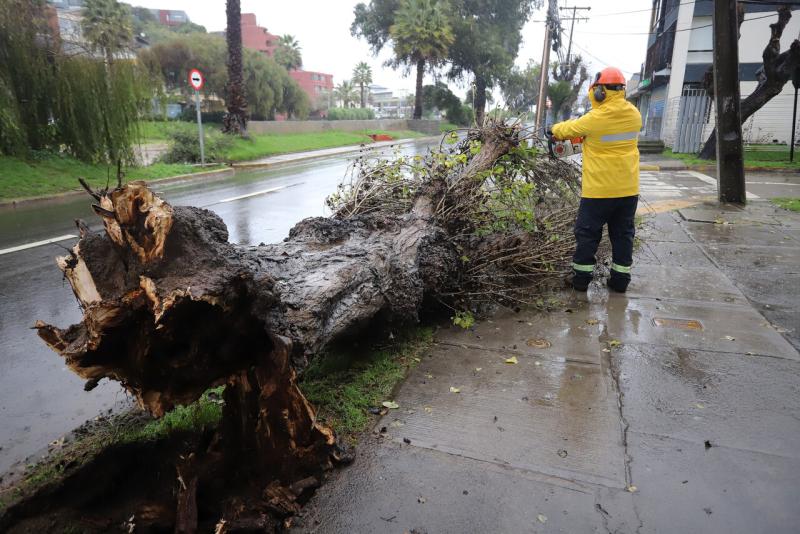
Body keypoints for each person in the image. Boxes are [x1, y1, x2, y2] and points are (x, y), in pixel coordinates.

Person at [549, 67, 643, 293]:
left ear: (600, 92)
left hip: (599, 192)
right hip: (628, 190)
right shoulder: (634, 114)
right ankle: (620, 281)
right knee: (623, 235)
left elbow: (566, 129)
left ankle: (581, 280)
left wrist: (551, 129)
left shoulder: (595, 118)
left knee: (587, 234)